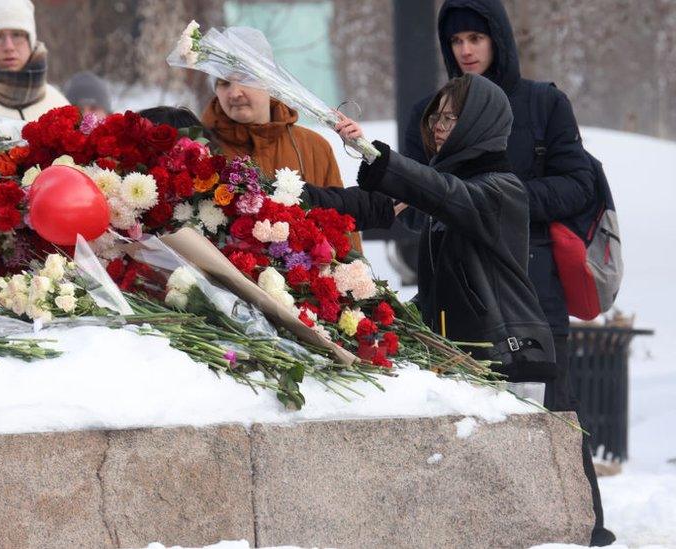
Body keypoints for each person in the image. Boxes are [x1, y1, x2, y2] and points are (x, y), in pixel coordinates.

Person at [401, 2, 611, 544]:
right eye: (455, 41)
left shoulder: (543, 103)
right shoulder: (430, 111)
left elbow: (577, 184)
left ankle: (585, 527)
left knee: (555, 410)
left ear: (499, 38)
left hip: (531, 285)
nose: (465, 50)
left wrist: (502, 203)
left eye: (476, 37)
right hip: (453, 289)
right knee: (464, 416)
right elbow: (416, 202)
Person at [307, 74, 557, 384]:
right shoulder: (449, 191)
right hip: (460, 357)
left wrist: (370, 151)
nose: (438, 126)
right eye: (436, 116)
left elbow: (441, 191)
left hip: (508, 359)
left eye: (451, 118)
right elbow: (371, 206)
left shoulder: (501, 190)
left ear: (480, 122)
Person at [198, 27, 363, 248]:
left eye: (245, 79)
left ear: (269, 80)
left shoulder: (313, 147)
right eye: (223, 82)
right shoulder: (202, 149)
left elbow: (342, 230)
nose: (234, 93)